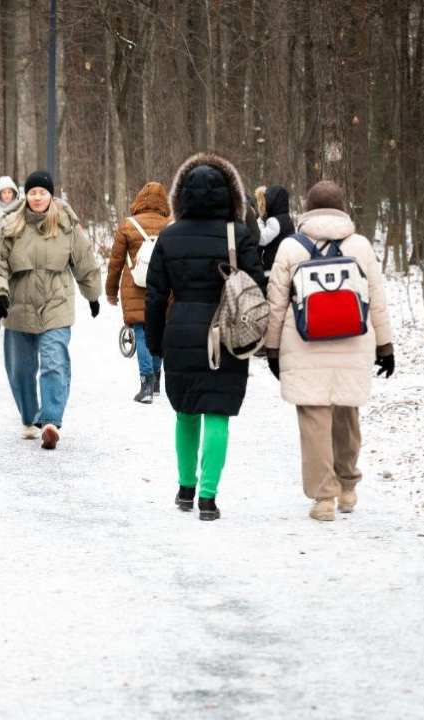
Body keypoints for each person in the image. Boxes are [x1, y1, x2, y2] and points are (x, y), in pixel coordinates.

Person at [144, 153, 265, 521]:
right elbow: (257, 287)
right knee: (217, 412)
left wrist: (155, 341)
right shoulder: (238, 235)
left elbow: (154, 294)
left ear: (181, 196)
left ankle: (185, 488)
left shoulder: (169, 236)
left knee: (185, 411)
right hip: (226, 333)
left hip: (181, 330)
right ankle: (209, 498)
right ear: (231, 196)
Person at [264, 180, 394, 522]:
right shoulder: (360, 246)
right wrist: (385, 345)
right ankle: (348, 488)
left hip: (304, 344)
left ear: (307, 208)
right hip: (353, 342)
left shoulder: (291, 247)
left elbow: (276, 304)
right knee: (347, 415)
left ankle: (324, 500)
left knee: (314, 420)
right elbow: (376, 299)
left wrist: (273, 350)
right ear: (342, 207)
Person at [0, 170, 102, 450]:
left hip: (55, 304)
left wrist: (93, 295)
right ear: (27, 195)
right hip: (19, 306)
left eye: (43, 192)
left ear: (51, 195)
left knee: (54, 361)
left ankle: (50, 420)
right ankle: (28, 416)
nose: (38, 197)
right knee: (21, 368)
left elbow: (84, 261)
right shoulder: (11, 225)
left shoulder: (66, 226)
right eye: (33, 192)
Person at [105, 181, 171, 403]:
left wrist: (111, 291)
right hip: (163, 286)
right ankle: (158, 379)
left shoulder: (128, 225)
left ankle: (146, 385)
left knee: (142, 333)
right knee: (159, 332)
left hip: (135, 286)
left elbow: (115, 263)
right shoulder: (171, 225)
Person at [255, 185, 295, 275]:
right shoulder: (285, 218)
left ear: (274, 202)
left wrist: (260, 220)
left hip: (273, 266)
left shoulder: (275, 221)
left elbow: (262, 239)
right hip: (283, 262)